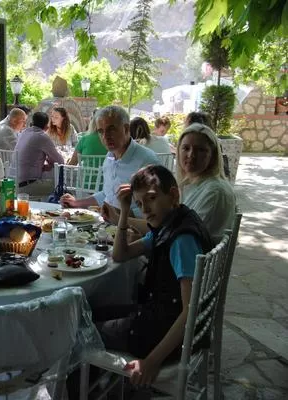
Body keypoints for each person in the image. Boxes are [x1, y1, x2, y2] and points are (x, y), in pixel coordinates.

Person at [66, 165, 213, 399]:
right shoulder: (170, 224)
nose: (145, 209)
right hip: (157, 316)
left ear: (173, 195)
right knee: (86, 313)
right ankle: (101, 386)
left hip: (160, 334)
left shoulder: (181, 240)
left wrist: (151, 361)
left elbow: (190, 311)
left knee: (76, 329)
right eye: (139, 203)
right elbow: (120, 254)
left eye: (151, 199)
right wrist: (124, 212)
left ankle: (84, 392)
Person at [102, 123, 235, 243]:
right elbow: (166, 224)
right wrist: (121, 215)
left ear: (213, 155)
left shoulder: (214, 191)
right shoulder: (191, 184)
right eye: (186, 148)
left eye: (201, 150)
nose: (191, 155)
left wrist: (121, 220)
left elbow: (179, 236)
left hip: (187, 259)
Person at [60, 105, 160, 216]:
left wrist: (121, 215)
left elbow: (158, 207)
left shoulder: (146, 160)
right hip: (107, 222)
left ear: (126, 129)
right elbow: (107, 194)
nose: (105, 136)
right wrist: (76, 203)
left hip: (132, 226)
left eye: (111, 130)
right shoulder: (109, 157)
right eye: (101, 131)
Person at [15, 111, 65, 198]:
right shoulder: (42, 137)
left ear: (32, 122)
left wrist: (42, 165)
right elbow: (60, 161)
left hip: (15, 183)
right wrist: (50, 162)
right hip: (27, 185)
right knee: (61, 186)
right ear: (46, 126)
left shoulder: (24, 133)